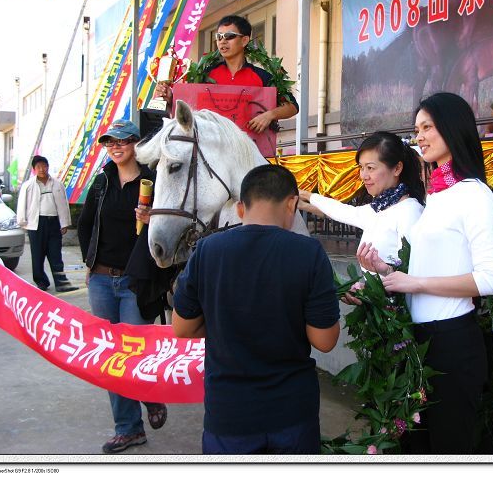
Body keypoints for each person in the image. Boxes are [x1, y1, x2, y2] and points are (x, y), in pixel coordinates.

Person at [357, 93, 493, 454]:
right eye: (416, 129)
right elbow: (429, 269)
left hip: (453, 345)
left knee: (448, 451)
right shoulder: (438, 195)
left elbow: (489, 279)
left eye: (427, 127)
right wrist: (386, 273)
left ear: (452, 130)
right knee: (416, 449)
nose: (418, 136)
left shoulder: (474, 194)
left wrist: (415, 282)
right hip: (420, 344)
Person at [172, 164, 340, 455]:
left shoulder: (207, 250)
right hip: (291, 413)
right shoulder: (308, 253)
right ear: (291, 203)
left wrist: (223, 323)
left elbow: (182, 328)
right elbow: (324, 341)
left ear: (240, 208)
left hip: (229, 414)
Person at [77, 119, 167, 454]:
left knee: (133, 353)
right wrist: (90, 264)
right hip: (101, 280)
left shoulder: (153, 181)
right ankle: (129, 429)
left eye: (123, 141)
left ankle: (150, 393)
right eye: (109, 142)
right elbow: (85, 226)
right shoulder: (101, 183)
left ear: (136, 144)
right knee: (111, 357)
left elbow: (171, 225)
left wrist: (152, 217)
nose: (116, 147)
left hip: (136, 280)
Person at [298, 131, 424, 302]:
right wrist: (303, 199)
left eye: (370, 168)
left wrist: (383, 275)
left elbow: (414, 275)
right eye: (361, 168)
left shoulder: (410, 211)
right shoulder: (378, 208)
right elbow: (341, 211)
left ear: (397, 168)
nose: (363, 176)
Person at [155, 15, 298, 134]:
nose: (222, 41)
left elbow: (292, 106)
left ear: (244, 40)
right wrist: (171, 99)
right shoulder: (206, 75)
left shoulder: (261, 76)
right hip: (212, 154)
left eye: (229, 36)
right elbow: (189, 110)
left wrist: (269, 115)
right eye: (219, 36)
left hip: (251, 152)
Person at [16, 155, 78, 292]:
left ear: (48, 167)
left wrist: (64, 223)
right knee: (37, 255)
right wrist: (23, 222)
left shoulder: (57, 184)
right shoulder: (28, 185)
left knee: (56, 255)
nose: (42, 169)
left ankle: (61, 283)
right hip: (36, 224)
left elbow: (63, 205)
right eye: (38, 167)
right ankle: (41, 282)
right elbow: (22, 205)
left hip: (54, 223)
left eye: (44, 166)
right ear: (34, 169)